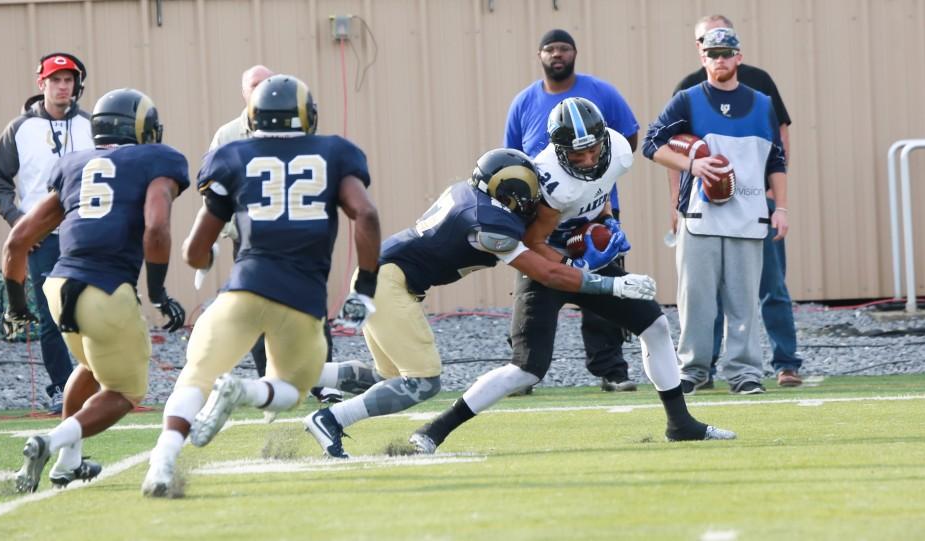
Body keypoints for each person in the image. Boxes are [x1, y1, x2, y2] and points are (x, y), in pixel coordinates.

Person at [411, 99, 735, 454]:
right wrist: (575, 265)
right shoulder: (551, 178)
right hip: (545, 263)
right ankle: (433, 430)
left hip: (584, 255)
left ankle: (681, 424)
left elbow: (599, 194)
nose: (586, 160)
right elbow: (533, 242)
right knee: (526, 369)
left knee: (655, 326)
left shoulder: (618, 152)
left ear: (603, 140)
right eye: (576, 155)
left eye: (592, 149)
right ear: (558, 151)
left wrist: (607, 222)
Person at [304, 147, 659, 459]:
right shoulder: (490, 224)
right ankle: (330, 419)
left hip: (378, 277)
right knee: (422, 382)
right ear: (510, 194)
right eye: (529, 197)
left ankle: (300, 375)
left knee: (387, 377)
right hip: (389, 284)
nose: (533, 205)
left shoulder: (471, 198)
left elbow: (545, 258)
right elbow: (546, 274)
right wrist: (611, 284)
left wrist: (575, 259)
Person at [142, 74, 380, 497]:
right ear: (307, 116)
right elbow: (365, 215)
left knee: (195, 377)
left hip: (244, 290)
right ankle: (245, 391)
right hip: (302, 303)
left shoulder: (232, 155)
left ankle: (161, 462)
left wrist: (208, 258)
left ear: (252, 117)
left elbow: (194, 249)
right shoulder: (335, 153)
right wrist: (365, 287)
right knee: (291, 391)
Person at [4, 88, 189, 493]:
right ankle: (49, 443)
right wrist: (157, 293)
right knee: (124, 391)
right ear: (143, 129)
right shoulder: (158, 160)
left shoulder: (73, 165)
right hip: (104, 290)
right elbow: (157, 228)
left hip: (58, 285)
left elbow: (18, 241)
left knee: (89, 368)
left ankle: (67, 464)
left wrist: (17, 306)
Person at [643, 27, 789, 395]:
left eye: (726, 53)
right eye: (713, 53)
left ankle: (745, 373)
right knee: (696, 299)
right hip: (699, 215)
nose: (719, 59)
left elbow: (776, 159)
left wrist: (782, 207)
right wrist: (692, 166)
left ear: (739, 57)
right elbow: (651, 144)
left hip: (749, 214)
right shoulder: (687, 100)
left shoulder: (762, 103)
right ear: (701, 56)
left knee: (743, 301)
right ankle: (693, 370)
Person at [505, 29, 641, 392]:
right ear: (540, 55)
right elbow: (515, 161)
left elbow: (627, 137)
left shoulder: (602, 93)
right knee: (533, 300)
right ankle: (522, 371)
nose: (557, 54)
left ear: (575, 52)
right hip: (544, 216)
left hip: (592, 214)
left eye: (563, 48)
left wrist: (605, 210)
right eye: (550, 48)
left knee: (604, 297)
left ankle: (611, 368)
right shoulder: (523, 102)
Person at [204, 64, 343, 403]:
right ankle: (267, 380)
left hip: (298, 233)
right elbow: (213, 188)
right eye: (254, 84)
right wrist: (227, 229)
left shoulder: (299, 129)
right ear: (243, 92)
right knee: (255, 310)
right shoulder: (229, 134)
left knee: (312, 304)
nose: (262, 89)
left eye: (266, 83)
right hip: (250, 238)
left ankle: (321, 379)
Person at [0, 52, 94, 414]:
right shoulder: (19, 129)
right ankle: (63, 390)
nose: (63, 87)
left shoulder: (91, 125)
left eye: (68, 80)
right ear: (41, 84)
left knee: (89, 311)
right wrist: (19, 222)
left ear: (77, 84)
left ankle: (97, 383)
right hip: (42, 238)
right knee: (52, 319)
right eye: (55, 80)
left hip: (86, 233)